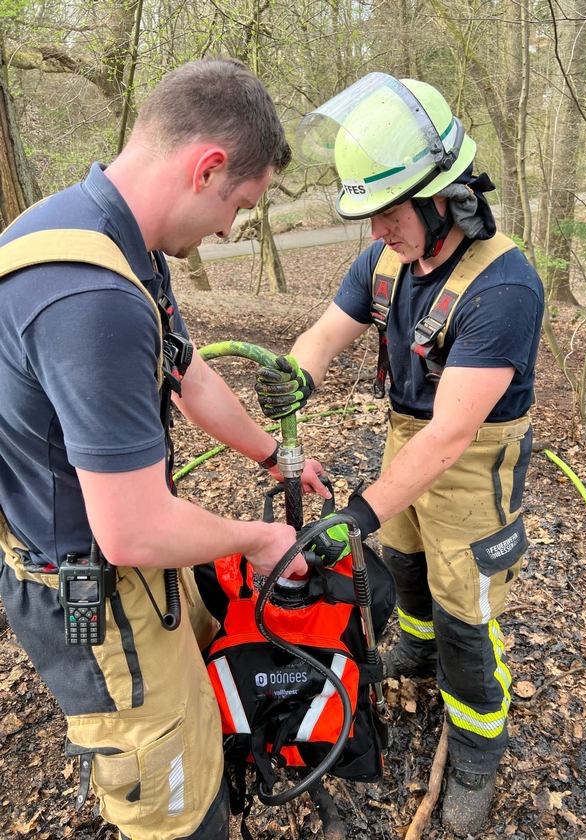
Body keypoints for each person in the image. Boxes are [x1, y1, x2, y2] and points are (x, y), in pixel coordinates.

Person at [0, 57, 330, 840]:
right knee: (173, 800)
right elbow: (134, 528)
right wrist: (258, 538)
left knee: (198, 702)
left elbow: (185, 369)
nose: (229, 229)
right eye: (238, 205)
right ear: (208, 167)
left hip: (125, 561)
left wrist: (273, 458)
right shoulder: (92, 298)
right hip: (93, 590)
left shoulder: (107, 235)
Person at [255, 72, 544, 837]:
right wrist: (296, 375)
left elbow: (452, 434)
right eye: (371, 215)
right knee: (408, 566)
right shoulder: (386, 262)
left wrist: (355, 510)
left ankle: (478, 755)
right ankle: (413, 657)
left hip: (472, 460)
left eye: (388, 213)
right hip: (405, 444)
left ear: (444, 198)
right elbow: (326, 331)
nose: (377, 230)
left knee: (466, 618)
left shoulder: (505, 286)